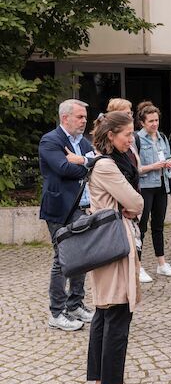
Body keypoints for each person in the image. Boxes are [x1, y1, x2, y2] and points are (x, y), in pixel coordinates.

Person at [86, 111, 150, 384]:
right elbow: (136, 201)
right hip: (115, 243)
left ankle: (100, 383)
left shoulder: (102, 162)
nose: (131, 139)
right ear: (111, 136)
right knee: (117, 312)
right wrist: (133, 206)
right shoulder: (107, 166)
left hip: (106, 243)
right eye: (127, 134)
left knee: (104, 312)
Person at [39, 99, 95, 331]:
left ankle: (75, 305)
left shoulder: (83, 142)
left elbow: (96, 162)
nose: (84, 121)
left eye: (84, 117)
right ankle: (56, 312)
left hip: (83, 208)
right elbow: (64, 169)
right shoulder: (50, 141)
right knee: (62, 261)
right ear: (65, 118)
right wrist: (88, 163)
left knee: (81, 258)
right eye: (80, 117)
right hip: (60, 210)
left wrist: (84, 161)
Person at [105, 98, 153, 284]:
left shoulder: (133, 140)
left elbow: (135, 167)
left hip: (133, 193)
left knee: (138, 234)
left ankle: (136, 267)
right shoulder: (107, 156)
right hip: (120, 204)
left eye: (130, 111)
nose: (129, 114)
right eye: (126, 111)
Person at [135, 102, 171, 278]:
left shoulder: (162, 138)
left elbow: (167, 157)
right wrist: (154, 166)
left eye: (156, 120)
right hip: (145, 187)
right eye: (150, 121)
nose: (154, 124)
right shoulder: (136, 139)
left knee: (158, 226)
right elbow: (135, 168)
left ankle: (161, 263)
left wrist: (168, 164)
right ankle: (138, 266)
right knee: (141, 227)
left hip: (161, 185)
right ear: (142, 123)